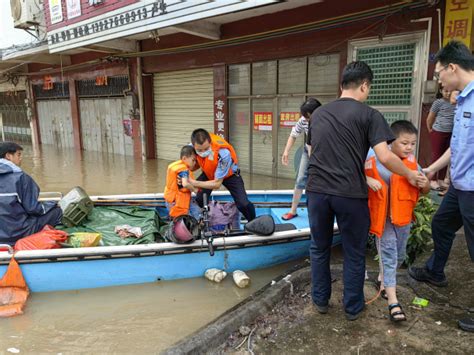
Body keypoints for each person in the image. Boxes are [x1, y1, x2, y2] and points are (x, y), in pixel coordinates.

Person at [306, 61, 422, 321]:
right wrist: (409, 173)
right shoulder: (370, 115)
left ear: (341, 85)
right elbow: (384, 157)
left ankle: (321, 300)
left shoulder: (318, 115)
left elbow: (313, 152)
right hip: (350, 194)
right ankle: (352, 308)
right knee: (354, 251)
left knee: (319, 247)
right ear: (364, 85)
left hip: (317, 192)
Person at [407, 41, 474, 333]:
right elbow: (458, 147)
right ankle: (435, 272)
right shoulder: (462, 101)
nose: (439, 80)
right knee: (442, 224)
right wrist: (431, 170)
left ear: (452, 67)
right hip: (459, 185)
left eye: (439, 74)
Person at [366, 120, 430, 322]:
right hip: (383, 220)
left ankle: (382, 280)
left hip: (403, 219)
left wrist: (425, 183)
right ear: (390, 142)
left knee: (400, 254)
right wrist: (367, 179)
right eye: (404, 143)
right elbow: (354, 173)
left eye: (412, 143)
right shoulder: (374, 157)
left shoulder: (413, 163)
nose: (409, 147)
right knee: (389, 253)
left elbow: (424, 190)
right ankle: (393, 302)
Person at [0, 142, 62, 246]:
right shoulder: (21, 178)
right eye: (18, 154)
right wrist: (52, 204)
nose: (21, 158)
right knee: (56, 211)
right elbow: (34, 209)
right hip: (18, 233)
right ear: (8, 156)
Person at [188, 129, 256, 222]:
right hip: (210, 172)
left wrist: (193, 183)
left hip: (230, 175)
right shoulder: (190, 148)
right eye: (199, 150)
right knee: (199, 198)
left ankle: (253, 221)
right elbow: (187, 165)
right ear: (193, 145)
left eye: (206, 149)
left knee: (243, 204)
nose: (203, 152)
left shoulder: (223, 153)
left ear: (210, 142)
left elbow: (217, 184)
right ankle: (206, 218)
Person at [280, 98, 321, 220]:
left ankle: (323, 211)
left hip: (323, 152)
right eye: (306, 117)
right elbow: (293, 135)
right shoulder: (303, 120)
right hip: (308, 150)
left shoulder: (327, 120)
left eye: (309, 116)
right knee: (300, 179)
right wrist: (286, 152)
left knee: (321, 181)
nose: (308, 120)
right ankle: (293, 210)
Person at [426, 87, 455, 192]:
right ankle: (432, 180)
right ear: (441, 91)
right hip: (438, 132)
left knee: (446, 157)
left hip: (451, 133)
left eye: (450, 91)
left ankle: (441, 179)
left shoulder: (456, 102)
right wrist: (430, 129)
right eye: (445, 91)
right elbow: (430, 118)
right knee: (437, 155)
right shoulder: (438, 103)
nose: (448, 93)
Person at [164, 145, 200, 220]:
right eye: (193, 160)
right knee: (182, 221)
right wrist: (195, 190)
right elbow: (185, 184)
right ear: (184, 158)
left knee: (197, 213)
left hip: (173, 200)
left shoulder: (175, 166)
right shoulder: (183, 169)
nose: (194, 163)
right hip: (177, 202)